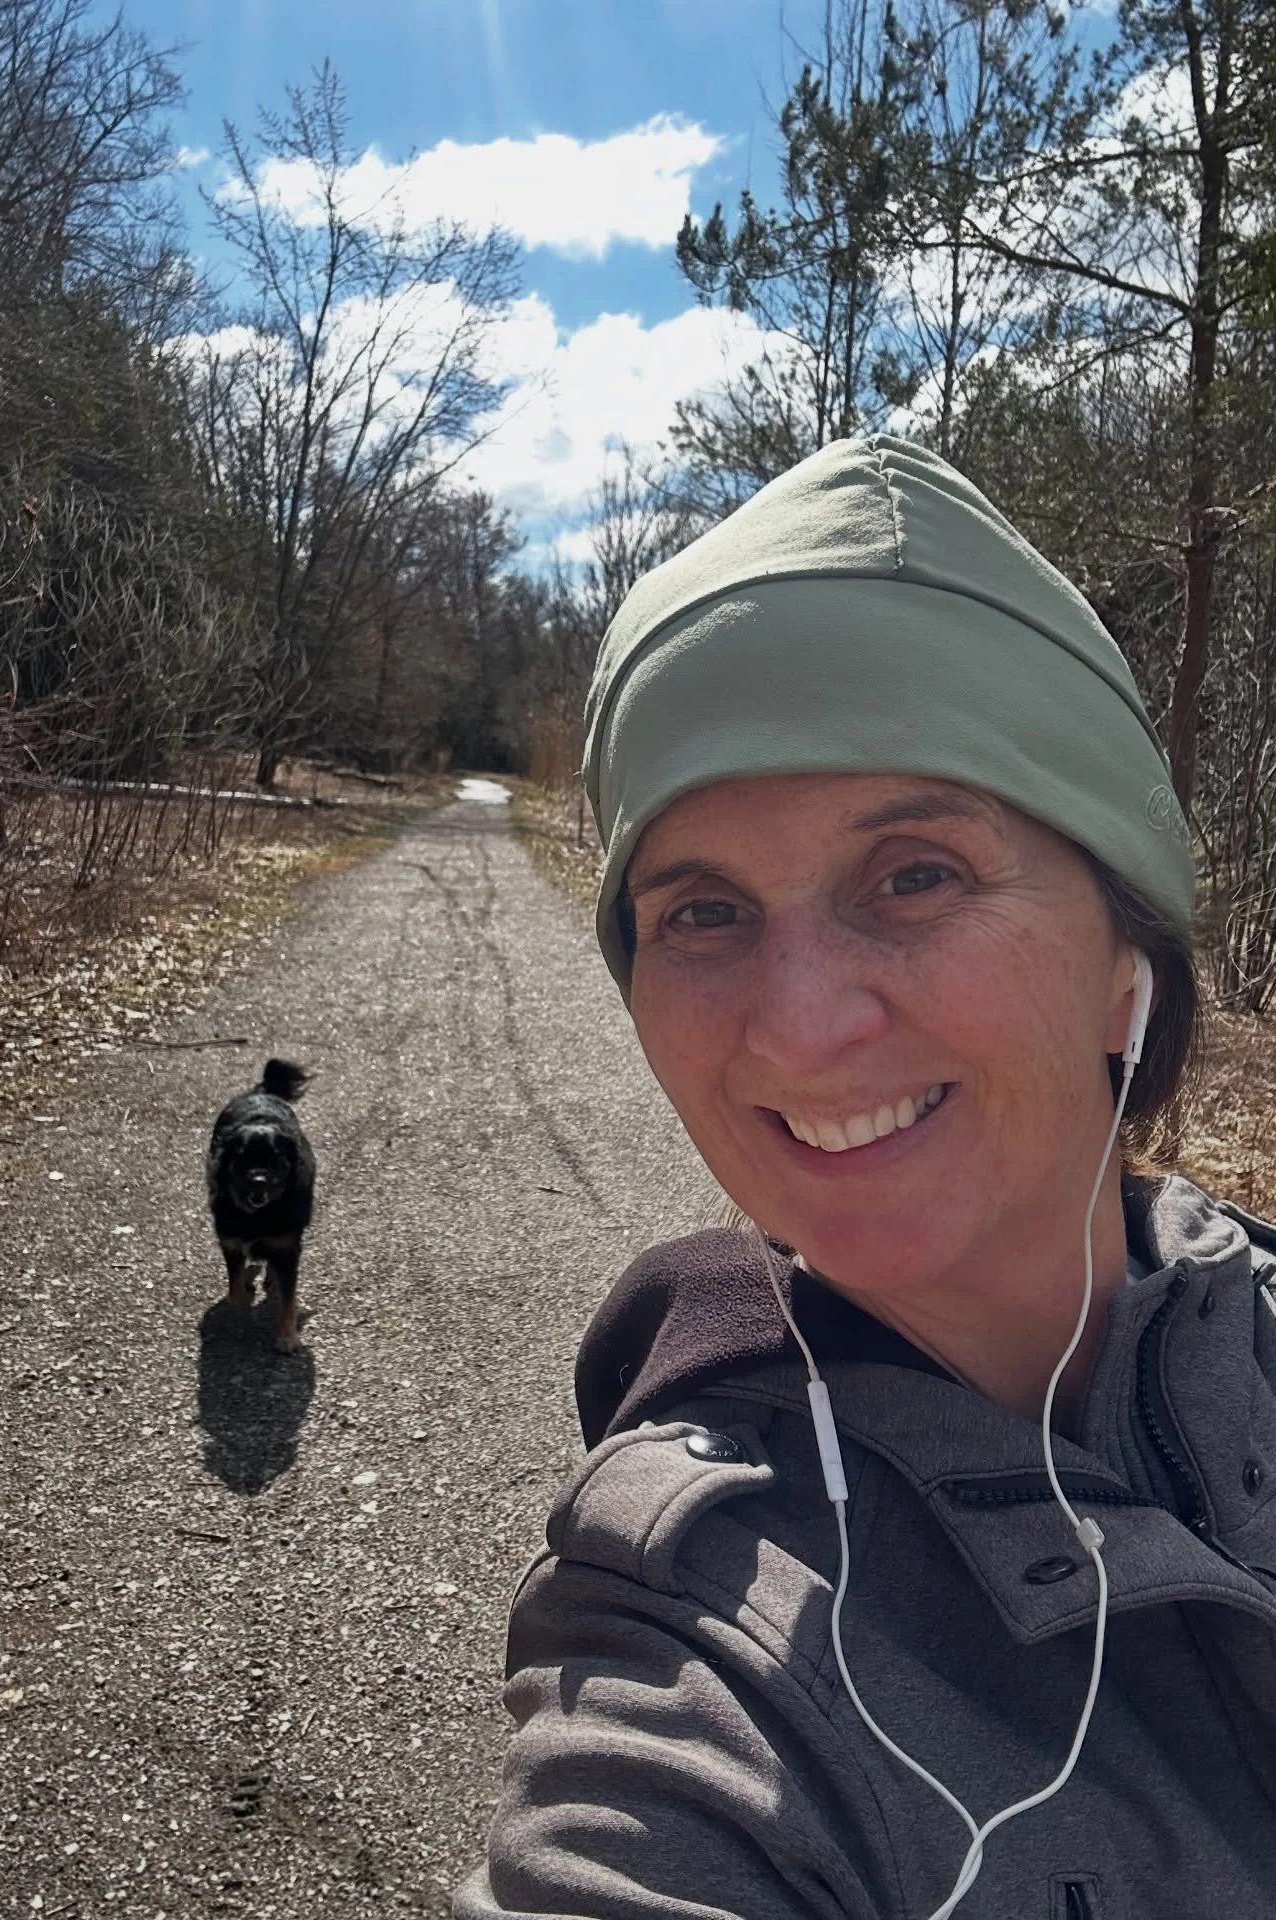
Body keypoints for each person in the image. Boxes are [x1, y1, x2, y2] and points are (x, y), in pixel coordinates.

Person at [455, 435, 1276, 1920]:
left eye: (914, 876)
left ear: (1126, 960)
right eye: (701, 911)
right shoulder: (693, 1654)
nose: (798, 1025)